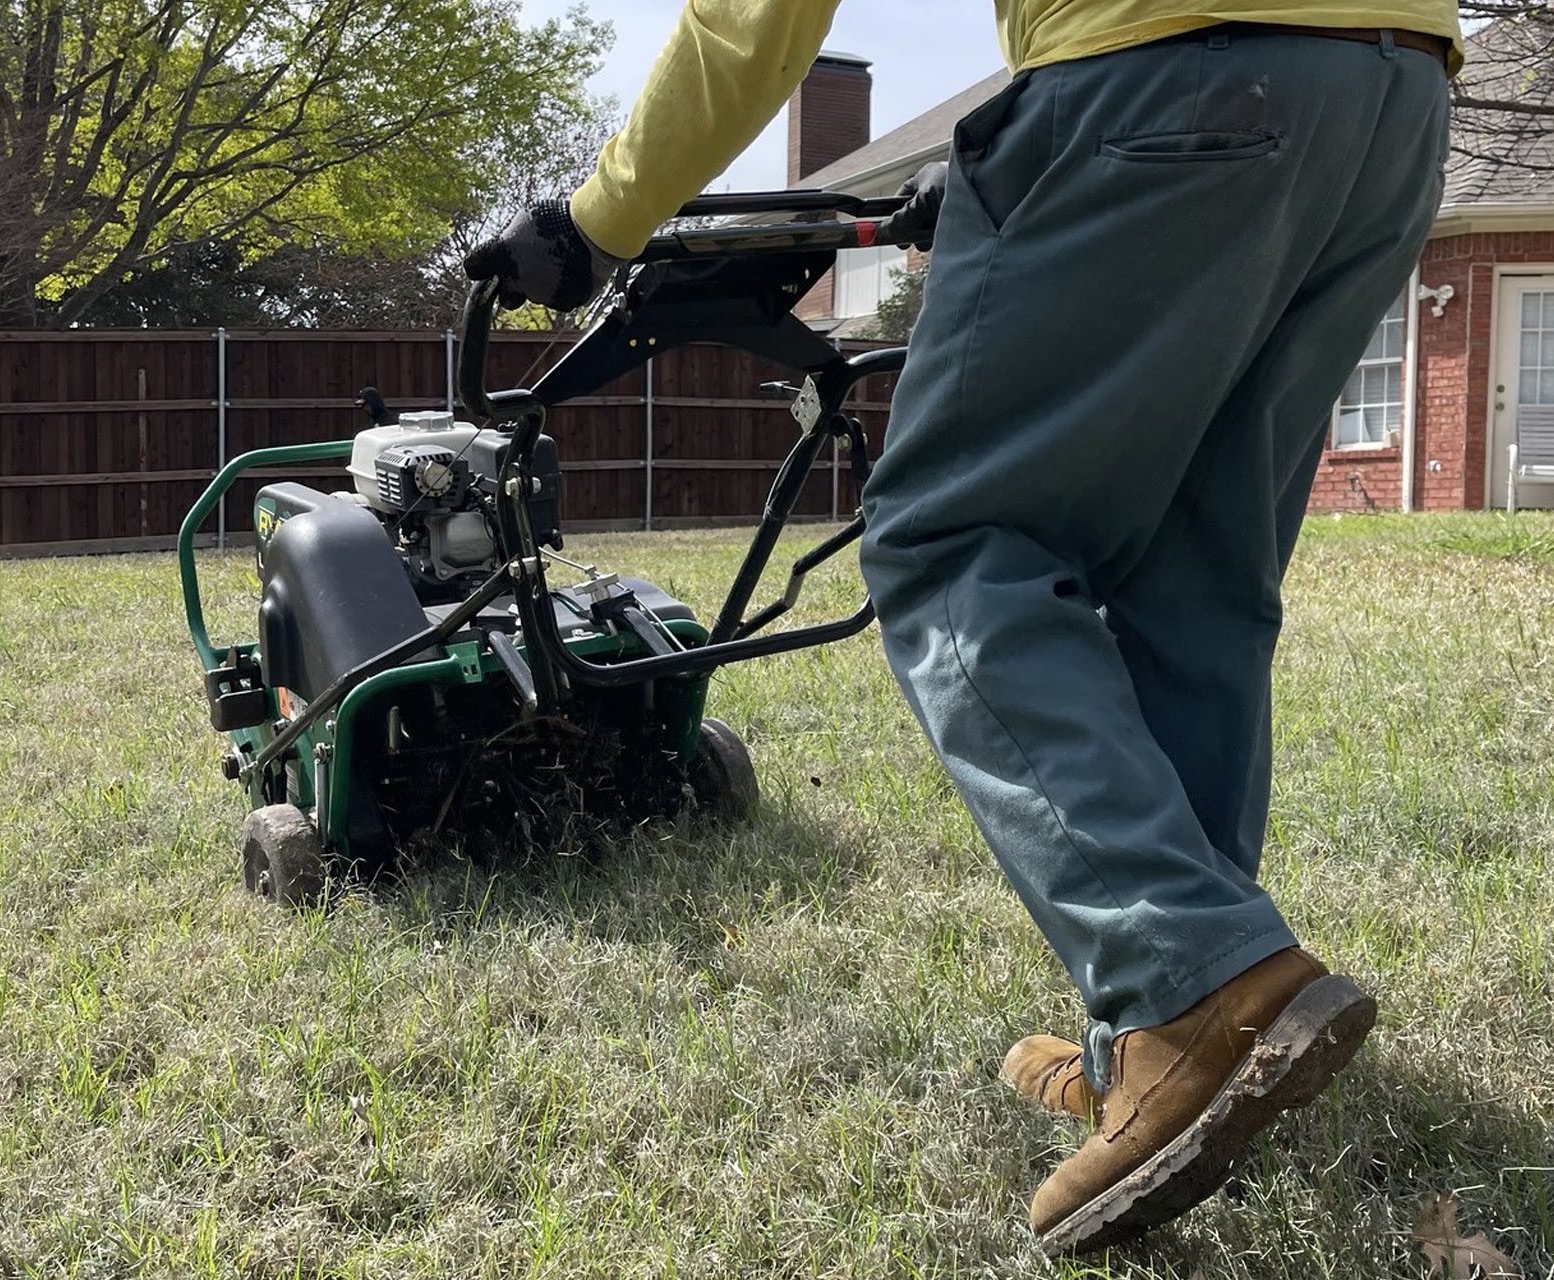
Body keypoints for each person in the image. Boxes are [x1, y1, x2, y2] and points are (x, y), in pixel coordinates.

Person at [463, 0, 1460, 1256]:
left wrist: (596, 218)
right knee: (1197, 579)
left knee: (950, 542)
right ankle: (1168, 1040)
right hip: (1394, 93)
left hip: (1162, 75)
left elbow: (755, 16)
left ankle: (1191, 976)